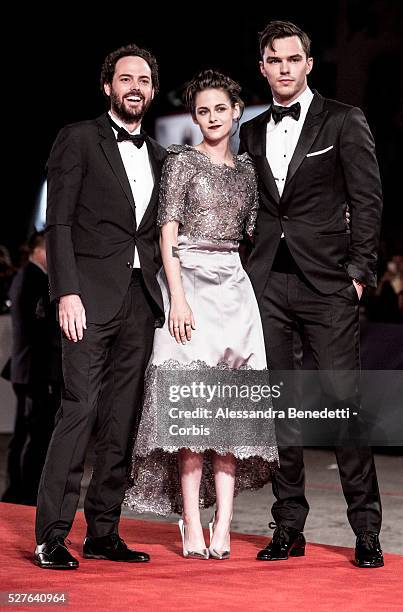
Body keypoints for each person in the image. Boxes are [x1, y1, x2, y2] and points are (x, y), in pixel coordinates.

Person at [239, 20, 383, 568]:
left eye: (292, 59)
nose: (283, 68)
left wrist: (358, 272)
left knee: (346, 406)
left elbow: (367, 199)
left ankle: (366, 530)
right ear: (263, 67)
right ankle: (288, 526)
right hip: (268, 283)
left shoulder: (344, 120)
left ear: (308, 64)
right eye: (273, 60)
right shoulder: (250, 133)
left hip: (328, 284)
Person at [125, 70, 278, 559]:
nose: (211, 117)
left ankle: (224, 525)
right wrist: (179, 298)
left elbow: (260, 231)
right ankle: (190, 521)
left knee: (227, 419)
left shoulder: (249, 172)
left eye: (220, 109)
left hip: (234, 289)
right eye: (202, 110)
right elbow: (165, 235)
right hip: (188, 284)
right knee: (190, 416)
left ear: (237, 111)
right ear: (195, 117)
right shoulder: (182, 163)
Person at [34, 44, 167, 570]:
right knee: (79, 409)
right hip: (86, 299)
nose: (135, 86)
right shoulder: (78, 138)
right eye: (125, 77)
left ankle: (103, 531)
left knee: (122, 419)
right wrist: (65, 290)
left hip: (141, 300)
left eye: (144, 80)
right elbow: (59, 220)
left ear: (153, 91)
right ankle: (51, 534)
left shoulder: (161, 156)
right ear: (107, 86)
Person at [2, 232, 60, 505]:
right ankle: (25, 491)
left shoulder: (26, 277)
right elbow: (39, 329)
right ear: (40, 250)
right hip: (34, 368)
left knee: (24, 433)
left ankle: (17, 489)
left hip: (26, 368)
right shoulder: (34, 278)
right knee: (34, 435)